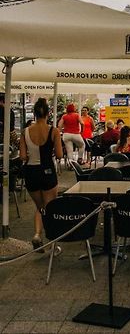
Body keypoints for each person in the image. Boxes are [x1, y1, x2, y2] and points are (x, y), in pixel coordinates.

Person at [19, 98, 63, 251]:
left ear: (34, 113)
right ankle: (53, 243)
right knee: (50, 207)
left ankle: (37, 234)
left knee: (39, 207)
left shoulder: (25, 132)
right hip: (48, 171)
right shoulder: (54, 131)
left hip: (31, 173)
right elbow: (59, 154)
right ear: (48, 113)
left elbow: (23, 156)